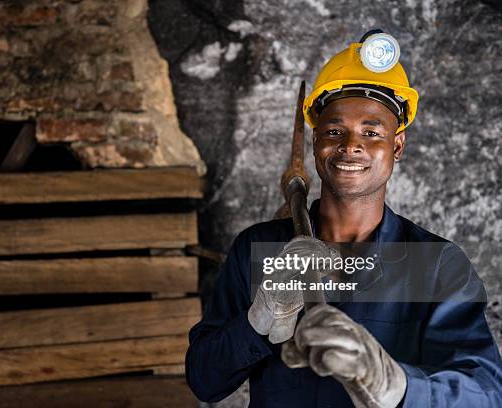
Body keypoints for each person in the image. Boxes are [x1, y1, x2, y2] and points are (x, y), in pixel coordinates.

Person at [185, 30, 502, 407]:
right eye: (335, 131)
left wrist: (396, 385)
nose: (351, 145)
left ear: (396, 146)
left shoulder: (436, 265)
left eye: (372, 132)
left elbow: (486, 393)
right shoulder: (259, 250)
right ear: (316, 141)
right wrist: (255, 324)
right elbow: (204, 380)